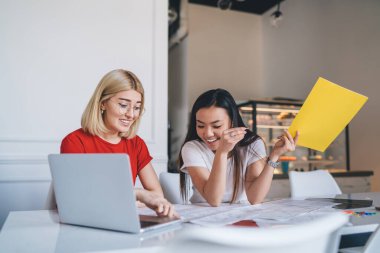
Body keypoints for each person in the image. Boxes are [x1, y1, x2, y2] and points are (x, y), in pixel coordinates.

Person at [61, 69, 176, 217]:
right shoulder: (75, 142)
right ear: (102, 104)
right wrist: (137, 195)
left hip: (122, 219)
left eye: (136, 107)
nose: (131, 114)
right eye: (123, 105)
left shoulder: (136, 144)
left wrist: (124, 200)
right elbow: (78, 200)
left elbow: (156, 196)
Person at [179, 89, 299, 206]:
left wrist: (274, 156)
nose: (208, 133)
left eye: (216, 126)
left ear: (232, 122)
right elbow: (214, 200)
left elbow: (255, 198)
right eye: (200, 125)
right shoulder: (192, 148)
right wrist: (222, 152)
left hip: (241, 213)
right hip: (202, 214)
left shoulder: (252, 144)